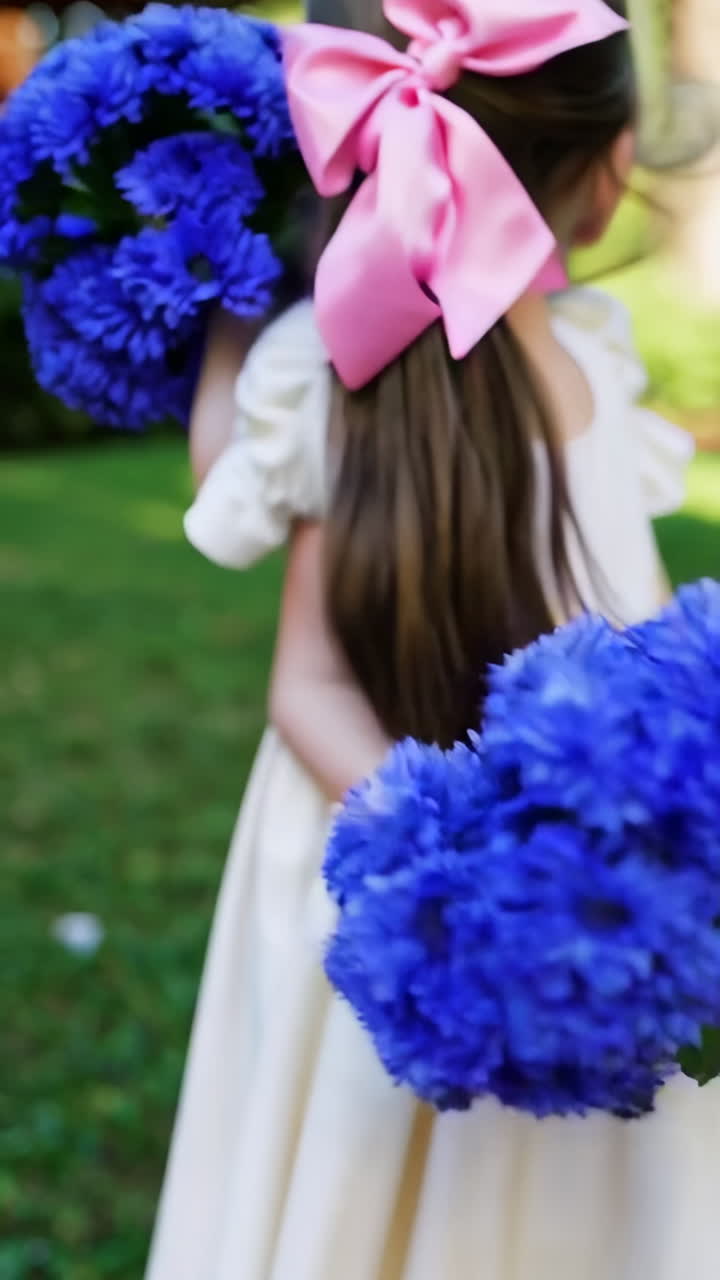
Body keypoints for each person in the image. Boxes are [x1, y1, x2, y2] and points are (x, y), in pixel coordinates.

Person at [146, 2, 717, 1277]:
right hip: (403, 888)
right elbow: (310, 679)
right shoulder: (341, 366)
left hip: (587, 887)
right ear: (613, 163)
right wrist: (464, 868)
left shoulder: (583, 354)